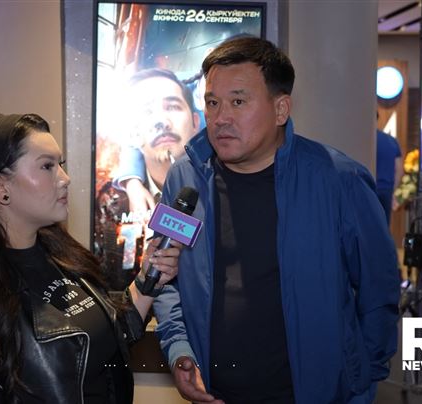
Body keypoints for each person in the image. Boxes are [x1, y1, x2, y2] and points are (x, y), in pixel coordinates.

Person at [152, 37, 400, 404]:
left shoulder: (338, 181)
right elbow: (162, 272)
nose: (220, 118)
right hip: (215, 394)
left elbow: (379, 288)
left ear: (281, 109)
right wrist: (179, 349)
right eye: (212, 102)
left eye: (238, 102)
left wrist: (360, 381)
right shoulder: (184, 179)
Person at [0, 113, 182, 403]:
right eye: (47, 166)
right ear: (0, 187)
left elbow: (106, 338)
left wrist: (148, 280)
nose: (65, 178)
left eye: (60, 164)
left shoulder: (65, 258)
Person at [111, 68, 201, 213]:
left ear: (195, 122)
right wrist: (131, 182)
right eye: (147, 111)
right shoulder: (110, 201)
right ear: (132, 134)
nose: (162, 121)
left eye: (173, 107)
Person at [375, 123, 402, 224]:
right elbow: (399, 170)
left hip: (367, 189)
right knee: (384, 226)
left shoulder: (364, 140)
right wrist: (392, 190)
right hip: (386, 190)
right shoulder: (391, 141)